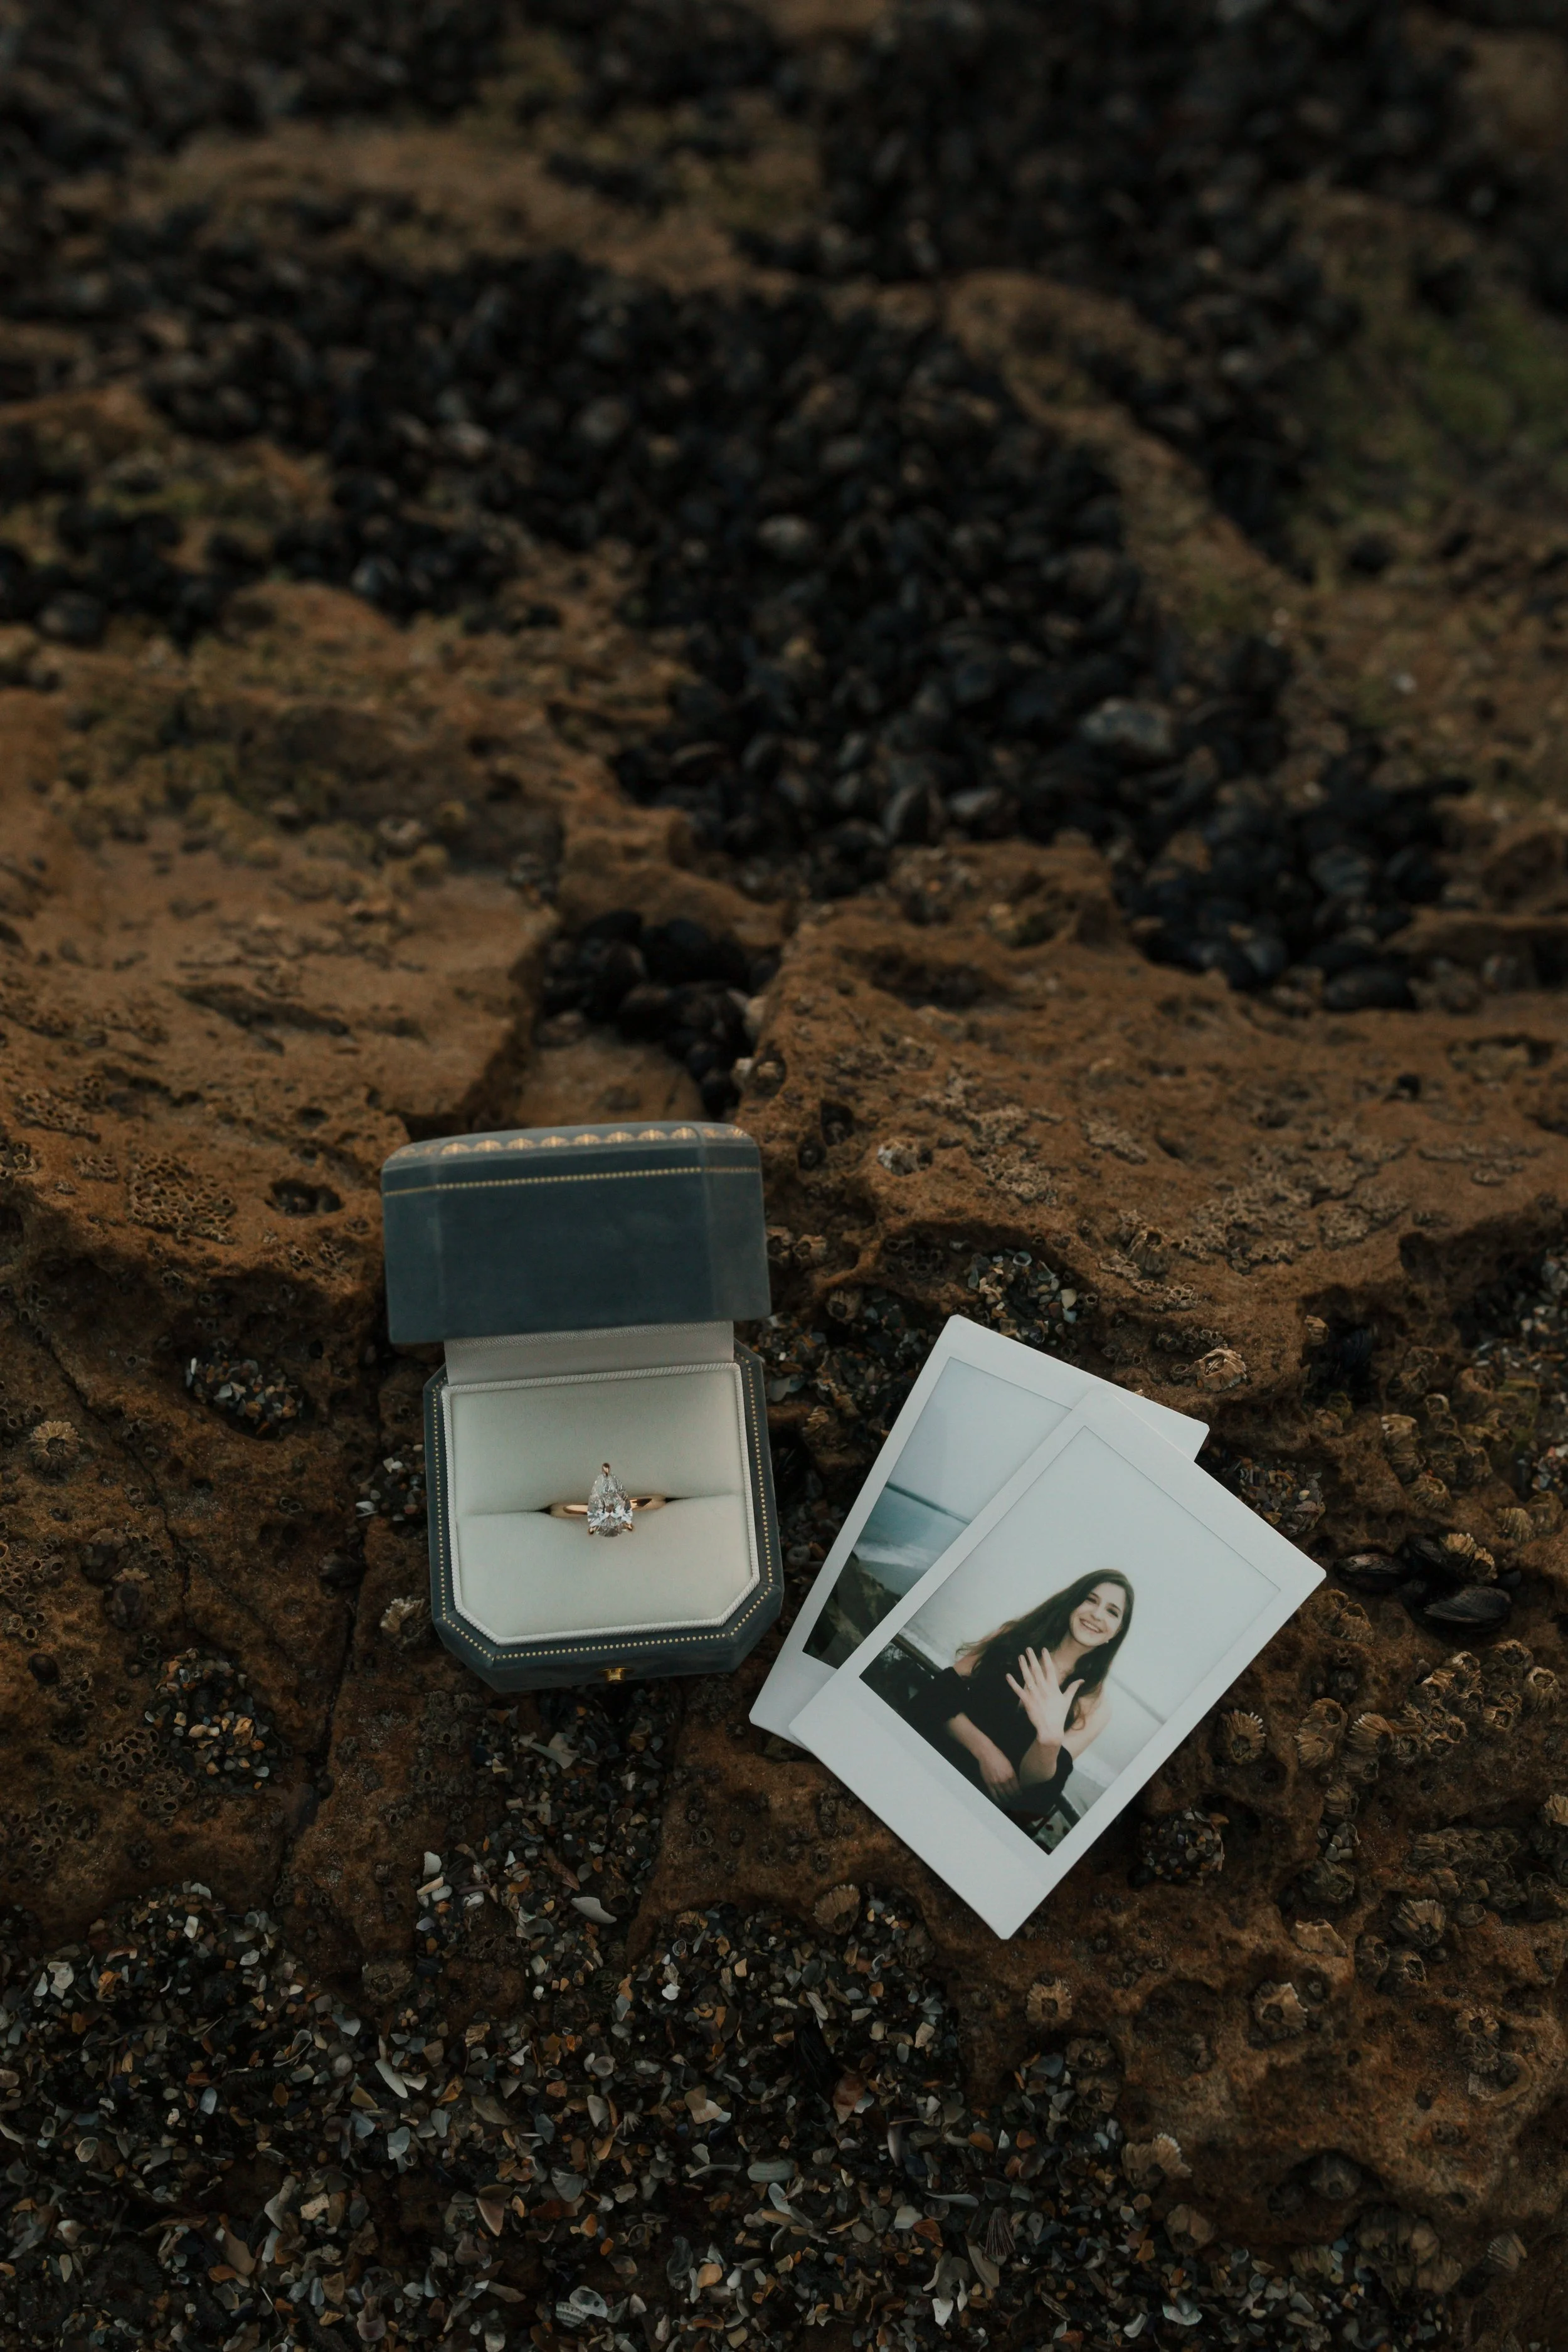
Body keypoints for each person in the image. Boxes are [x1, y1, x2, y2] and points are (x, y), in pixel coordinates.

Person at [909, 1571, 1134, 1817]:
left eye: (1112, 1612)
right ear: (1073, 1602)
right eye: (1091, 1600)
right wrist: (985, 1750)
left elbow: (1033, 1797)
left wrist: (1048, 1741)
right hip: (922, 1759)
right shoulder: (1013, 1638)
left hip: (972, 1810)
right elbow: (934, 1694)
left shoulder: (1095, 1707)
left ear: (1117, 1630)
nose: (1097, 1614)